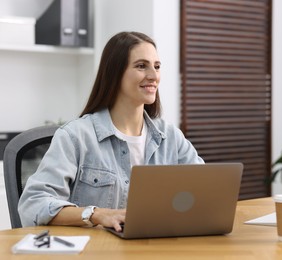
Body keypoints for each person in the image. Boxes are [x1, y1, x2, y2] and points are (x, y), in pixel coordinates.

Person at [18, 31, 204, 232]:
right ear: (115, 72)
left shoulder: (171, 137)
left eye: (157, 67)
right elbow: (33, 204)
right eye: (141, 66)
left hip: (158, 245)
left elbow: (206, 191)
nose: (153, 76)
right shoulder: (75, 137)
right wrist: (97, 214)